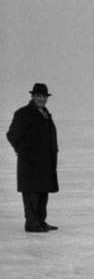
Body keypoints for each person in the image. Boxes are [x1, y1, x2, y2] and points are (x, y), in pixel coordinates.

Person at [6, 83, 59, 233]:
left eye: (44, 96)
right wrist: (23, 151)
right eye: (38, 96)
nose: (41, 99)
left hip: (46, 163)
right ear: (32, 96)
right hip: (30, 163)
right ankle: (31, 223)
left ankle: (40, 221)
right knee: (32, 193)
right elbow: (12, 135)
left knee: (43, 192)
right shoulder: (24, 113)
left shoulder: (45, 113)